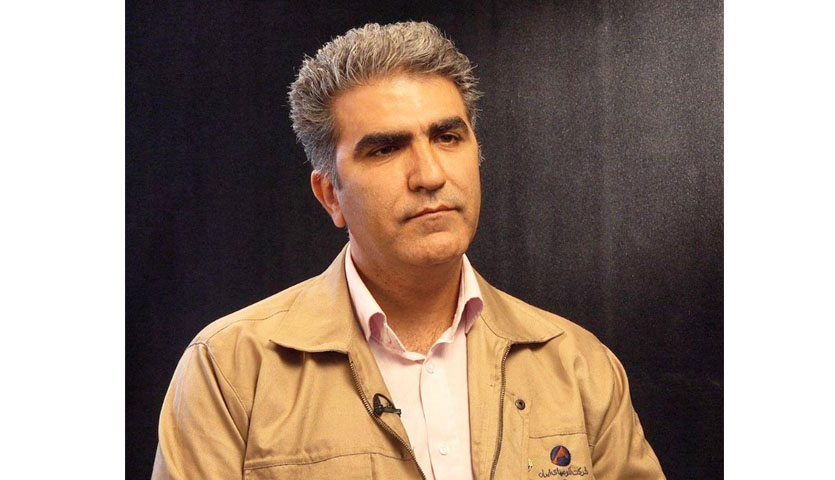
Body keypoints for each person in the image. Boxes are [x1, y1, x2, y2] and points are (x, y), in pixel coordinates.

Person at [152, 21, 665, 480]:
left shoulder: (579, 366)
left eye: (447, 137)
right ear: (330, 195)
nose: (430, 175)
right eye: (385, 149)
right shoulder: (231, 369)